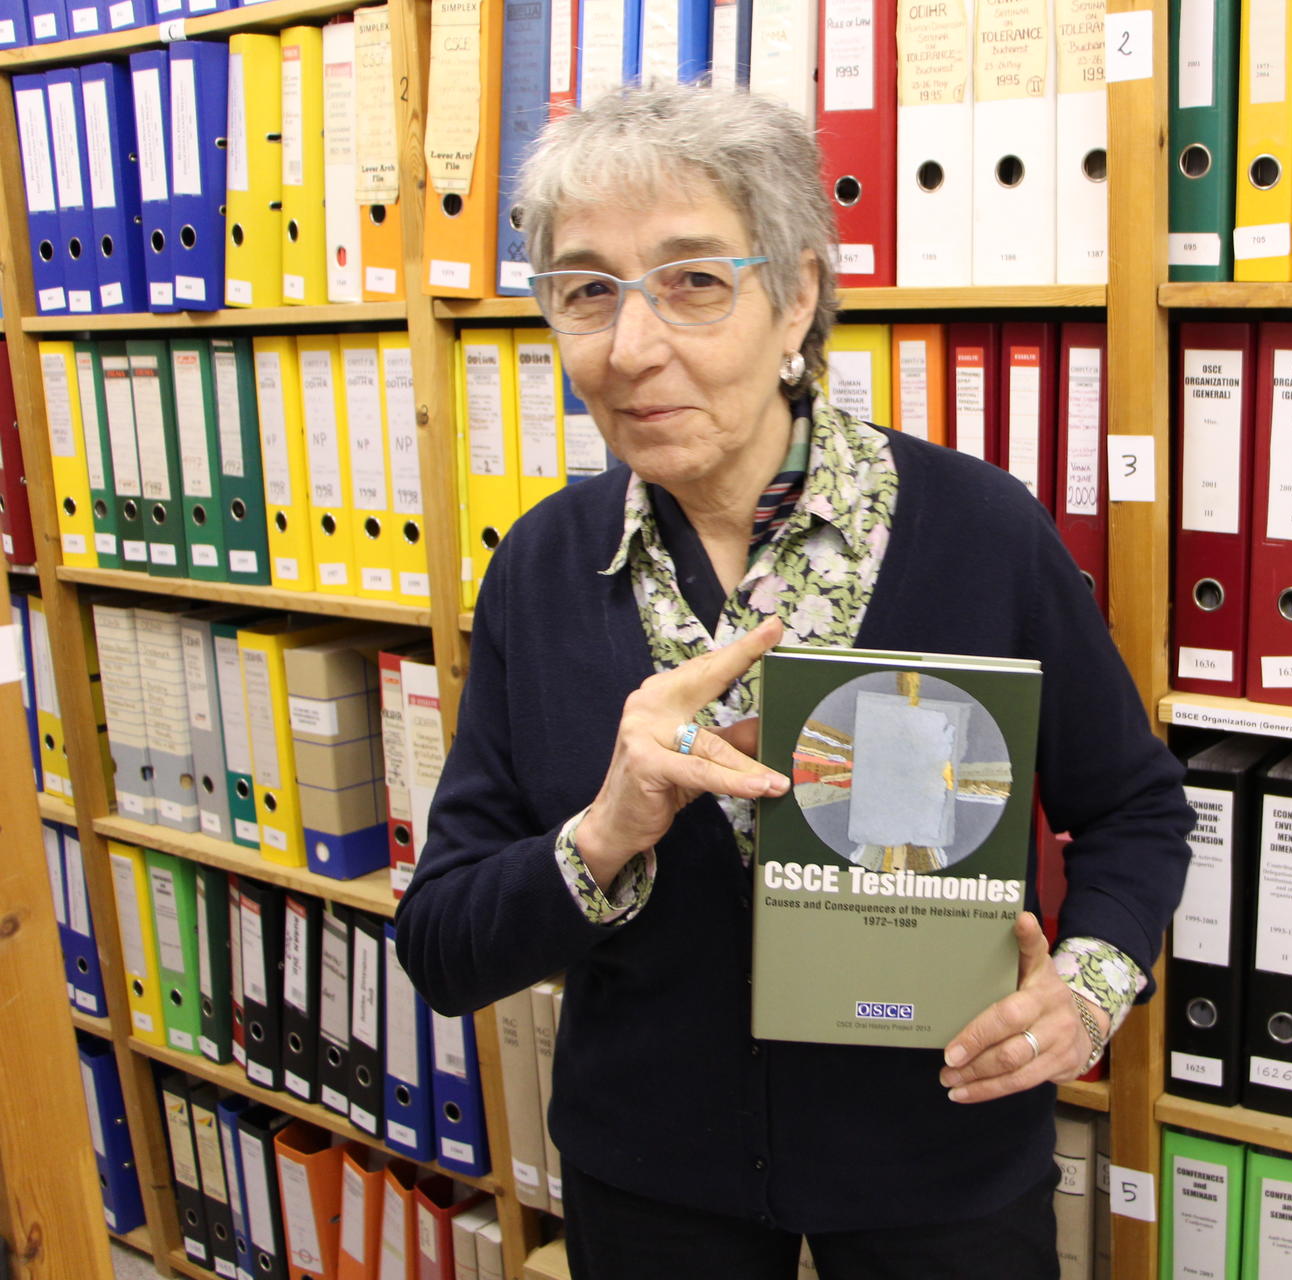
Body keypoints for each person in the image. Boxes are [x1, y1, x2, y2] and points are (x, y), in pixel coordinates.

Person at [394, 82, 1193, 1279]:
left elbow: (1136, 808)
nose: (631, 346)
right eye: (588, 290)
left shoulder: (979, 530)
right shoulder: (541, 570)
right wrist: (605, 832)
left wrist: (1085, 989)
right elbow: (444, 946)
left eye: (694, 281)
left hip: (940, 1168)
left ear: (799, 295)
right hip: (651, 1181)